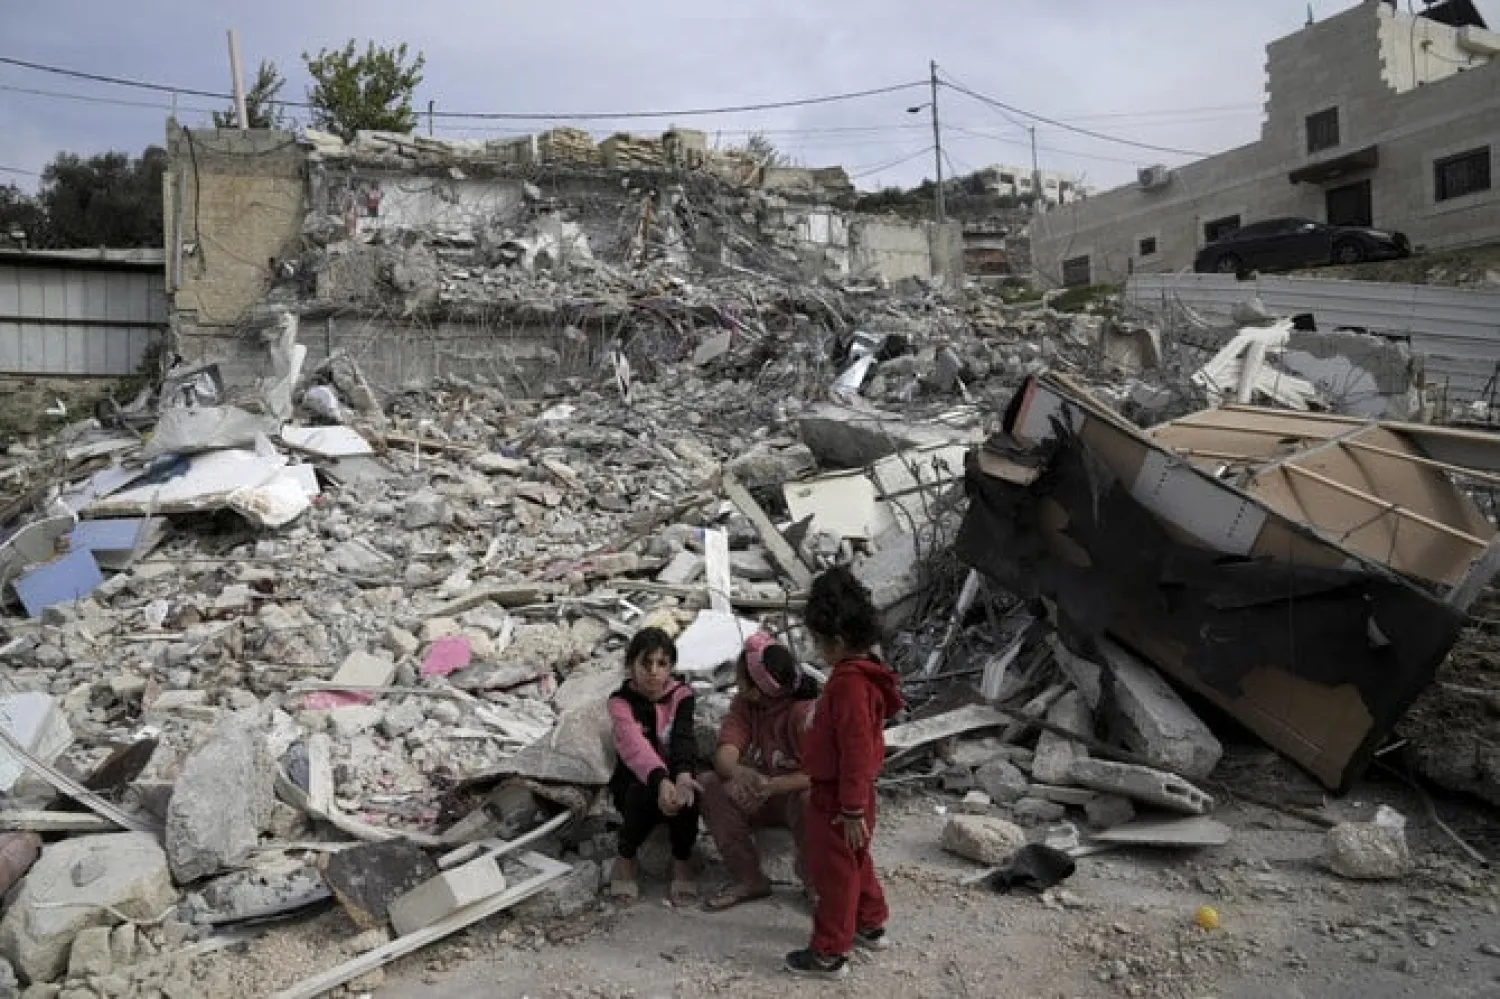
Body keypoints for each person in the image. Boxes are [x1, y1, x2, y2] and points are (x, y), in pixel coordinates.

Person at [784, 566, 903, 980]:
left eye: (818, 643)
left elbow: (854, 750)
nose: (817, 651)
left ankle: (829, 953)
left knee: (834, 875)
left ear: (835, 640)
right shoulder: (867, 676)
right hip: (852, 795)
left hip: (839, 798)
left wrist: (850, 808)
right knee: (854, 860)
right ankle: (870, 923)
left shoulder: (849, 685)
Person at [700, 632, 819, 912]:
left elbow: (822, 773)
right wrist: (740, 772)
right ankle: (749, 877)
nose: (736, 683)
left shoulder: (803, 714)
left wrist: (773, 785)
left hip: (792, 794)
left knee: (811, 799)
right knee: (709, 784)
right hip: (761, 792)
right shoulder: (746, 705)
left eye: (740, 677)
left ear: (755, 689)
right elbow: (726, 752)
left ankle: (816, 883)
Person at [606, 627, 701, 906]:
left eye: (662, 664)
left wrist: (682, 777)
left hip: (672, 772)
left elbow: (684, 737)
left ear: (671, 667)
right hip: (635, 777)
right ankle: (626, 856)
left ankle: (681, 860)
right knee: (639, 794)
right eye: (645, 664)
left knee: (690, 794)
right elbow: (636, 748)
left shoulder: (681, 696)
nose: (653, 672)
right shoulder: (620, 702)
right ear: (630, 666)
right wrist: (661, 781)